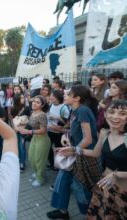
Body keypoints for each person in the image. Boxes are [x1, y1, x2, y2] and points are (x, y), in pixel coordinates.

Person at [59, 100, 127, 219]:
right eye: (111, 112)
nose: (115, 117)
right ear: (105, 114)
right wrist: (75, 150)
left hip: (123, 191)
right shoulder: (105, 133)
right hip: (105, 186)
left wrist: (116, 174)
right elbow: (95, 153)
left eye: (122, 113)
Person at [47, 85, 102, 219]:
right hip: (75, 152)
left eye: (67, 94)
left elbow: (88, 139)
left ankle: (89, 215)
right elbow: (75, 131)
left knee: (80, 188)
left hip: (85, 156)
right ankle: (63, 211)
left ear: (77, 98)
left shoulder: (83, 111)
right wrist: (64, 132)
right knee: (62, 182)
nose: (64, 95)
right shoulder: (74, 110)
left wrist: (73, 150)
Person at [18, 95, 51, 187]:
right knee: (31, 158)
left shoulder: (42, 114)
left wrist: (28, 131)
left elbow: (44, 130)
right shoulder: (33, 112)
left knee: (39, 160)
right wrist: (21, 123)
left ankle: (40, 178)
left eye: (38, 102)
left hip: (43, 139)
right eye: (34, 101)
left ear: (42, 105)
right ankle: (37, 173)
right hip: (35, 138)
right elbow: (30, 123)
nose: (34, 103)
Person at [10, 93, 31, 172]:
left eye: (23, 97)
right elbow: (12, 119)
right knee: (17, 146)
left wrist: (24, 123)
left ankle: (22, 163)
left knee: (22, 146)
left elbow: (30, 119)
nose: (23, 99)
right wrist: (13, 128)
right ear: (17, 100)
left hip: (23, 130)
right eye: (21, 98)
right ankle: (18, 160)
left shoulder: (27, 108)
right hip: (16, 130)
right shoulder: (13, 108)